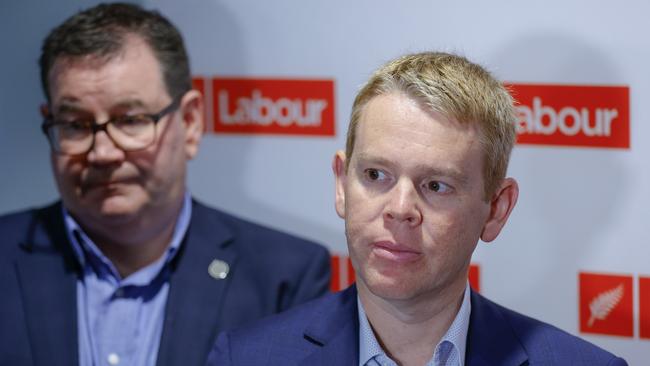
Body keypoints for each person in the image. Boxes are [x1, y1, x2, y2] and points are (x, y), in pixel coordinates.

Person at [206, 52, 627, 365]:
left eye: (436, 185)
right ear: (341, 184)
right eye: (375, 176)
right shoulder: (243, 357)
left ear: (496, 209)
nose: (400, 209)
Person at [0, 3, 331, 366]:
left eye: (130, 120)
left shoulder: (282, 277)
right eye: (76, 125)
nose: (103, 153)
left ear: (189, 123)